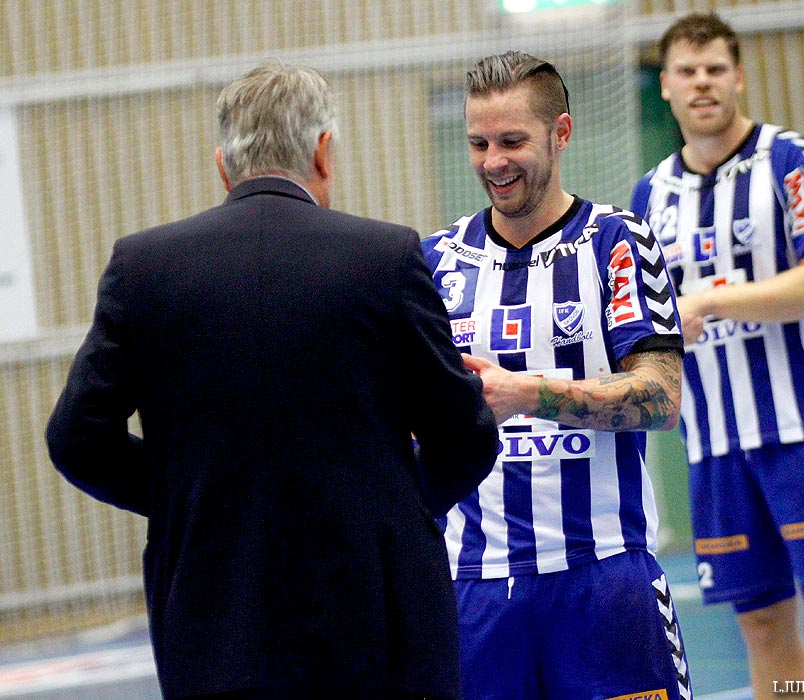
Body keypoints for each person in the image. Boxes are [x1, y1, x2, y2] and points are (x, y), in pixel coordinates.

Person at [45, 61, 499, 700]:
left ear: (223, 164)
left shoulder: (143, 267)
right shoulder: (385, 258)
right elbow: (467, 436)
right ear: (322, 151)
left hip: (214, 621)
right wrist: (393, 501)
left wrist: (192, 494)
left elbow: (76, 439)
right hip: (378, 618)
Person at [630, 12, 804, 697]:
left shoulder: (791, 161)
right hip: (716, 447)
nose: (702, 82)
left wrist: (714, 300)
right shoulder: (649, 196)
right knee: (763, 627)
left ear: (738, 77)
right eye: (686, 71)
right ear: (666, 88)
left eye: (715, 68)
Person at [420, 51, 692, 700]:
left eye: (512, 140)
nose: (493, 161)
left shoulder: (616, 242)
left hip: (604, 576)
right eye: (478, 143)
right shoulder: (434, 261)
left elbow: (661, 396)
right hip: (475, 588)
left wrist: (527, 393)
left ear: (560, 132)